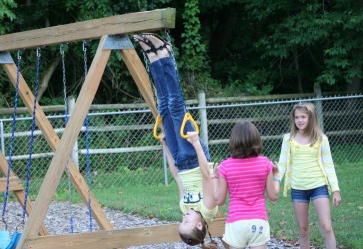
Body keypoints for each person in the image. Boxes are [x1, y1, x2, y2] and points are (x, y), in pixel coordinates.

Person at [133, 33, 219, 249]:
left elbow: (175, 175)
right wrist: (197, 143)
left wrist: (166, 148)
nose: (184, 217)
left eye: (182, 221)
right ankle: (165, 53)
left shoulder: (184, 207)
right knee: (175, 106)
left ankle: (153, 58)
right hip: (193, 155)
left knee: (163, 107)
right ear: (200, 226)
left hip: (180, 160)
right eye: (187, 222)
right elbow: (207, 176)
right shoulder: (208, 209)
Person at [278, 102, 341, 249]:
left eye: (303, 117)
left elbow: (329, 165)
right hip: (298, 189)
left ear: (311, 118)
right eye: (296, 117)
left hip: (319, 186)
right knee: (303, 230)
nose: (299, 120)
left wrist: (336, 189)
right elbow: (281, 165)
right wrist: (275, 184)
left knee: (326, 226)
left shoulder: (321, 138)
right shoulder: (288, 139)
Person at [214, 120, 280, 249]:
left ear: (233, 141)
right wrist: (276, 176)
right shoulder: (265, 163)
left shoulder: (225, 166)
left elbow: (219, 200)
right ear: (256, 140)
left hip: (236, 222)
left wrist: (215, 177)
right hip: (258, 222)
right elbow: (273, 196)